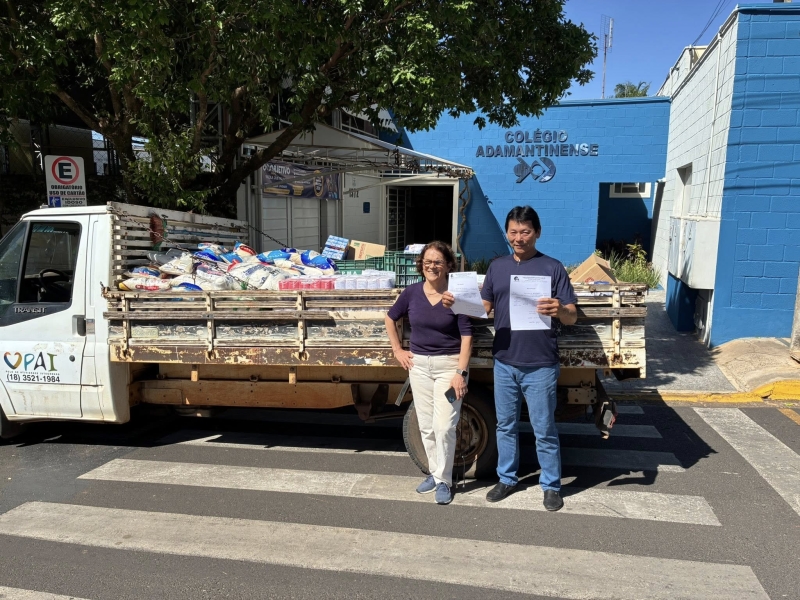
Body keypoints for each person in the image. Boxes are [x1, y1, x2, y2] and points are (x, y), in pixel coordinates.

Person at [443, 206, 577, 511]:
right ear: (507, 234)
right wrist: (457, 302)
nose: (519, 238)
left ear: (537, 232)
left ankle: (552, 485)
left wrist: (559, 309)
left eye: (525, 231)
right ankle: (507, 478)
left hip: (541, 363)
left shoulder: (553, 267)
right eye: (514, 232)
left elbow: (571, 317)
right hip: (504, 361)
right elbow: (484, 307)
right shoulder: (498, 267)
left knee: (544, 428)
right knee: (505, 425)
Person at [384, 241, 473, 505]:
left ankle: (445, 480)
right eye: (427, 262)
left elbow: (468, 336)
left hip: (449, 367)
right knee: (426, 425)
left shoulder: (455, 295)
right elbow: (391, 318)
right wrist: (398, 350)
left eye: (437, 262)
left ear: (448, 266)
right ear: (421, 265)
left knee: (444, 426)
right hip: (419, 367)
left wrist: (460, 372)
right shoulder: (411, 293)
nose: (431, 266)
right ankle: (436, 474)